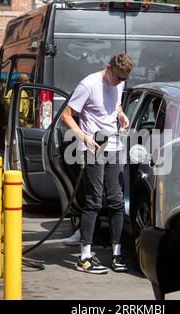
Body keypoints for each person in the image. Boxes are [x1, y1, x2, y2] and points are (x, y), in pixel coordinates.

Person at [61, 53, 132, 274]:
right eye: (117, 78)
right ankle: (84, 257)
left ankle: (116, 252)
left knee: (116, 200)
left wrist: (121, 115)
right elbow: (66, 115)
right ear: (108, 67)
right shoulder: (88, 84)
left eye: (123, 80)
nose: (119, 82)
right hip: (94, 147)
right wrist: (84, 137)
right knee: (93, 200)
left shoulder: (119, 82)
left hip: (115, 146)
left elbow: (115, 106)